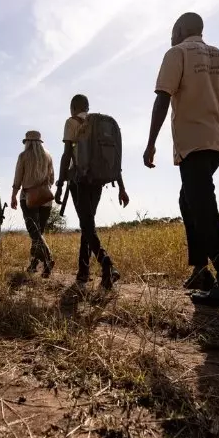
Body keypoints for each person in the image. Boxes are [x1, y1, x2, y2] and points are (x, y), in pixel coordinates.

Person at [143, 12, 219, 310]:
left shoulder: (177, 53)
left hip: (193, 144)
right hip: (218, 144)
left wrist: (150, 143)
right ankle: (201, 270)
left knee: (203, 210)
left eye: (171, 32)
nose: (170, 38)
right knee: (188, 200)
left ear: (179, 30)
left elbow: (162, 99)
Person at [54, 94, 130, 292]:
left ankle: (107, 264)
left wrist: (60, 184)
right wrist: (121, 188)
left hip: (79, 180)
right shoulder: (99, 126)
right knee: (88, 224)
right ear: (87, 107)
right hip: (98, 180)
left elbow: (67, 154)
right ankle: (83, 271)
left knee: (86, 224)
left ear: (73, 108)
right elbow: (111, 160)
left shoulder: (72, 122)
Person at [11, 130, 55, 278]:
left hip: (29, 198)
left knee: (34, 233)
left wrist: (14, 195)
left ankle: (48, 259)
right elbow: (52, 179)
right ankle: (35, 264)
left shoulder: (23, 156)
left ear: (28, 142)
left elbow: (18, 178)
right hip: (46, 199)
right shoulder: (48, 156)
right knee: (38, 233)